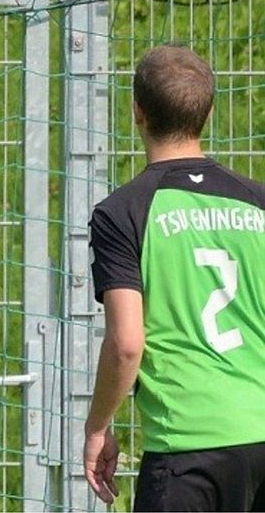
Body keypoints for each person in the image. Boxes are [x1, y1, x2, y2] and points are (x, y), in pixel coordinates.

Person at [84, 45, 265, 510]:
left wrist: (97, 427)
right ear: (208, 111)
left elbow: (126, 343)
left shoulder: (124, 212)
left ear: (137, 111)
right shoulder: (257, 203)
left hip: (187, 449)